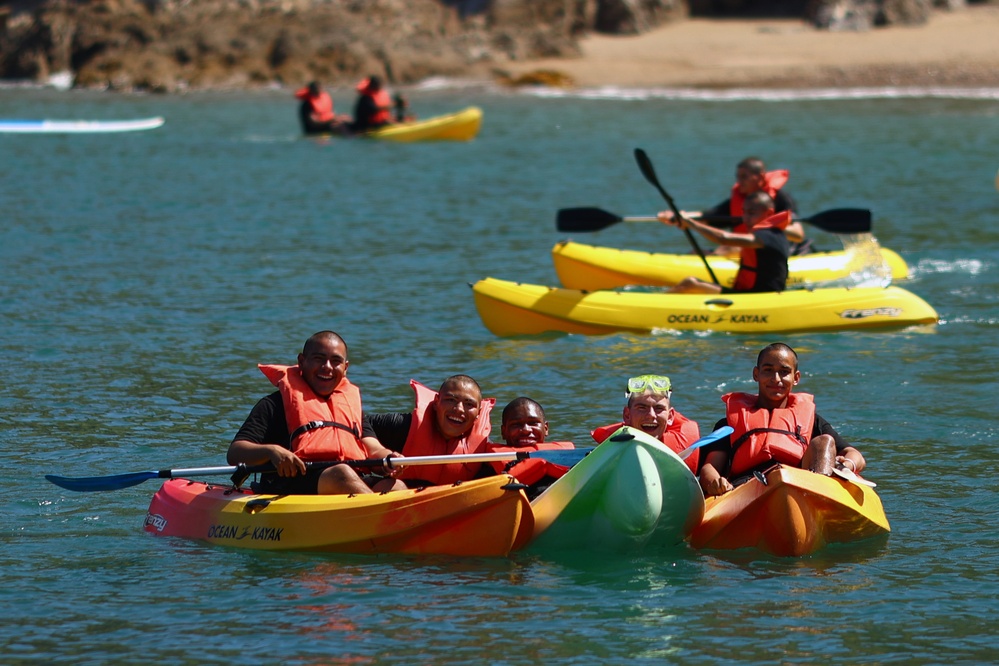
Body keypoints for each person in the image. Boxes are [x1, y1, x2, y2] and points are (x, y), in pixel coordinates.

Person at [227, 331, 407, 495]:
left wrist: (389, 458)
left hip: (349, 481)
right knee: (341, 473)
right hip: (292, 484)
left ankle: (392, 521)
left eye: (335, 361)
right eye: (319, 358)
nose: (327, 367)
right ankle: (383, 517)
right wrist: (272, 451)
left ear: (345, 368)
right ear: (302, 361)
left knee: (395, 485)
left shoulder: (350, 408)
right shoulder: (273, 404)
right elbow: (235, 453)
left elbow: (373, 448)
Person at [698, 342, 867, 497]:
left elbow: (855, 455)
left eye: (784, 372)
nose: (776, 379)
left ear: (796, 377)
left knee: (825, 441)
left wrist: (848, 465)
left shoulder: (813, 421)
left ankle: (819, 502)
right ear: (756, 374)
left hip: (801, 489)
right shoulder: (729, 423)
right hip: (746, 489)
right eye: (768, 370)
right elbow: (709, 467)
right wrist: (715, 483)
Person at [660, 156, 811, 255]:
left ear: (759, 177)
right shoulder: (741, 199)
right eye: (738, 177)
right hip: (747, 249)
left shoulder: (780, 198)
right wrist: (679, 216)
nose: (739, 181)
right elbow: (707, 217)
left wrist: (764, 226)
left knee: (732, 247)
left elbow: (798, 234)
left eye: (744, 177)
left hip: (781, 251)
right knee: (694, 253)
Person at [368, 375, 494, 487]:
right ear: (436, 402)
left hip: (453, 503)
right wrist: (382, 454)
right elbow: (361, 424)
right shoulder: (404, 426)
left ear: (479, 412)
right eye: (450, 400)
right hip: (403, 499)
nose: (459, 409)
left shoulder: (484, 449)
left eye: (469, 404)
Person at [660, 191, 790, 294]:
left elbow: (724, 238)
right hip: (746, 294)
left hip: (761, 299)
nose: (746, 218)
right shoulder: (762, 234)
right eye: (744, 212)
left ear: (769, 213)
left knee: (691, 283)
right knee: (691, 285)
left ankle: (656, 306)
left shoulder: (770, 236)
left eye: (752, 213)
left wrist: (690, 223)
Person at [591, 375, 701, 473]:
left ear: (670, 416)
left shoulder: (692, 451)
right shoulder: (607, 454)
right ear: (627, 415)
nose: (651, 415)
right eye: (642, 408)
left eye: (659, 408)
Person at [482, 397, 574, 497]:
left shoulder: (573, 463)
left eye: (533, 423)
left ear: (546, 428)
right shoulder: (487, 464)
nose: (526, 430)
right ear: (503, 432)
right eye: (516, 425)